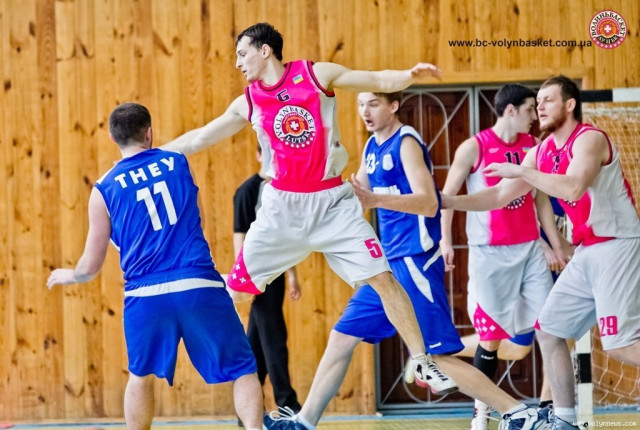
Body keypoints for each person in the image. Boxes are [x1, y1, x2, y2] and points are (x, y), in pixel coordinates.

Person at [162, 22, 456, 395]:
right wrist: (151, 154)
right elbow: (200, 137)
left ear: (265, 50)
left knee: (383, 278)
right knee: (237, 290)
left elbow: (375, 79)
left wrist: (409, 75)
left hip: (333, 204)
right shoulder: (249, 101)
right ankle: (179, 304)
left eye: (242, 53)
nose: (238, 63)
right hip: (282, 209)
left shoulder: (316, 75)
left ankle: (422, 359)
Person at [263, 92, 550, 430]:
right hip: (387, 267)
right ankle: (304, 422)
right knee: (342, 337)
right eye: (361, 104)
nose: (365, 111)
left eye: (373, 103)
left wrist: (374, 199)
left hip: (415, 261)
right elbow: (356, 196)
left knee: (436, 356)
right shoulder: (372, 147)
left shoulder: (406, 142)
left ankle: (517, 411)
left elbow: (429, 202)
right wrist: (310, 186)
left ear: (393, 105)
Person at [47, 103, 264, 430]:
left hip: (145, 294)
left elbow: (90, 266)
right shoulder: (178, 162)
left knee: (140, 376)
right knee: (243, 368)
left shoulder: (103, 189)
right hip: (197, 284)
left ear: (112, 138)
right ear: (149, 132)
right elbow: (200, 221)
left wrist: (71, 275)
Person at [443, 75, 640, 430]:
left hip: (617, 244)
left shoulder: (590, 139)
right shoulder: (542, 151)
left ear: (570, 104)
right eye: (537, 103)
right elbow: (499, 195)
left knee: (618, 345)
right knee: (549, 330)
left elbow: (573, 187)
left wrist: (521, 170)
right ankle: (564, 420)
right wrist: (447, 201)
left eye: (548, 100)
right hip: (586, 251)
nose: (540, 108)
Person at [440, 84, 572, 429]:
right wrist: (445, 241)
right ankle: (481, 415)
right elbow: (447, 197)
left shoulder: (533, 147)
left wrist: (555, 243)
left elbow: (540, 200)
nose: (534, 117)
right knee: (491, 340)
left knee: (552, 327)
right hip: (490, 254)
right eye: (529, 109)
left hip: (529, 250)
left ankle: (556, 414)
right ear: (510, 110)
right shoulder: (474, 147)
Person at [233, 146, 302, 422]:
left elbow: (284, 238)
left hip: (276, 273)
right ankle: (288, 402)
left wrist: (292, 274)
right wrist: (243, 279)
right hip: (256, 275)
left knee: (257, 343)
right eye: (267, 153)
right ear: (258, 155)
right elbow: (239, 236)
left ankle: (247, 410)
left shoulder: (280, 190)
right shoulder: (247, 191)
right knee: (274, 338)